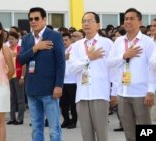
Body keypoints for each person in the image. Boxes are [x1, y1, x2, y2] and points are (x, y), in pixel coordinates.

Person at [18, 7, 65, 141]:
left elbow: (61, 63)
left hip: (50, 90)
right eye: (31, 19)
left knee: (54, 129)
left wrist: (58, 85)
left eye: (36, 18)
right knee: (36, 128)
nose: (33, 21)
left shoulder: (55, 36)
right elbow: (21, 59)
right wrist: (35, 48)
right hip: (32, 89)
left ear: (44, 19)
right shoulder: (27, 38)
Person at [108, 8, 155, 141]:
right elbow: (109, 63)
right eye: (126, 19)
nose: (127, 21)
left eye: (131, 19)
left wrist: (151, 91)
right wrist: (124, 56)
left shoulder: (147, 42)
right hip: (123, 94)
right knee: (129, 133)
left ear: (140, 22)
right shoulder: (118, 42)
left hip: (142, 94)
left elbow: (153, 68)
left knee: (146, 132)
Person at [69, 12, 115, 141]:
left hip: (100, 93)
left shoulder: (107, 43)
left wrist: (114, 91)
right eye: (84, 21)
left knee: (102, 134)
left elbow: (114, 70)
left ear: (98, 25)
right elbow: (72, 68)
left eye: (90, 21)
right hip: (82, 94)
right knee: (86, 135)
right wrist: (88, 58)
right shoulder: (76, 46)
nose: (86, 24)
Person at [7, 31, 26, 125]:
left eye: (12, 39)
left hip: (18, 76)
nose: (10, 41)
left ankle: (20, 119)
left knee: (20, 99)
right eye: (9, 39)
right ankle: (12, 118)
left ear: (17, 40)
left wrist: (22, 76)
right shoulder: (7, 49)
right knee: (11, 99)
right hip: (9, 77)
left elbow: (24, 63)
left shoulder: (20, 49)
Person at [60, 33, 77, 129]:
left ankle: (74, 121)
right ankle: (66, 120)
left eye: (66, 40)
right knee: (63, 104)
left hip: (72, 81)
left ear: (70, 40)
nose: (64, 42)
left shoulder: (74, 50)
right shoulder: (60, 50)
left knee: (73, 103)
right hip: (62, 81)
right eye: (62, 40)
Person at [149, 18, 156, 124]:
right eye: (152, 26)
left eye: (155, 26)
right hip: (149, 86)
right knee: (150, 118)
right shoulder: (148, 42)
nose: (153, 28)